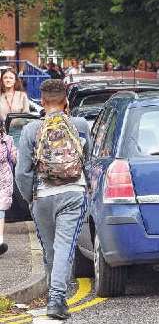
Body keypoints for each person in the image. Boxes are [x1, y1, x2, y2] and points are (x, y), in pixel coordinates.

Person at [15, 79, 92, 320]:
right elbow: (87, 159)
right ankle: (57, 298)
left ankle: (53, 293)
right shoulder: (79, 125)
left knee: (51, 250)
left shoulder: (30, 130)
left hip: (42, 196)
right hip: (73, 193)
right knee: (64, 248)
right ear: (66, 101)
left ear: (43, 102)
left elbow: (22, 171)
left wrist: (30, 198)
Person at [0, 122, 17, 256]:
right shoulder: (7, 140)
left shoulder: (7, 140)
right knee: (0, 210)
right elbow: (14, 157)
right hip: (4, 177)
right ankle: (0, 241)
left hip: (4, 178)